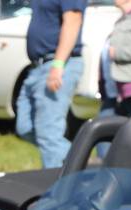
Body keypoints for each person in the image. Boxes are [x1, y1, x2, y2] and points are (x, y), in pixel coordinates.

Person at [15, 0, 86, 168]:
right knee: (25, 127)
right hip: (37, 67)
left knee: (49, 134)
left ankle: (58, 189)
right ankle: (77, 163)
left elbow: (73, 20)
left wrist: (58, 65)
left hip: (57, 64)